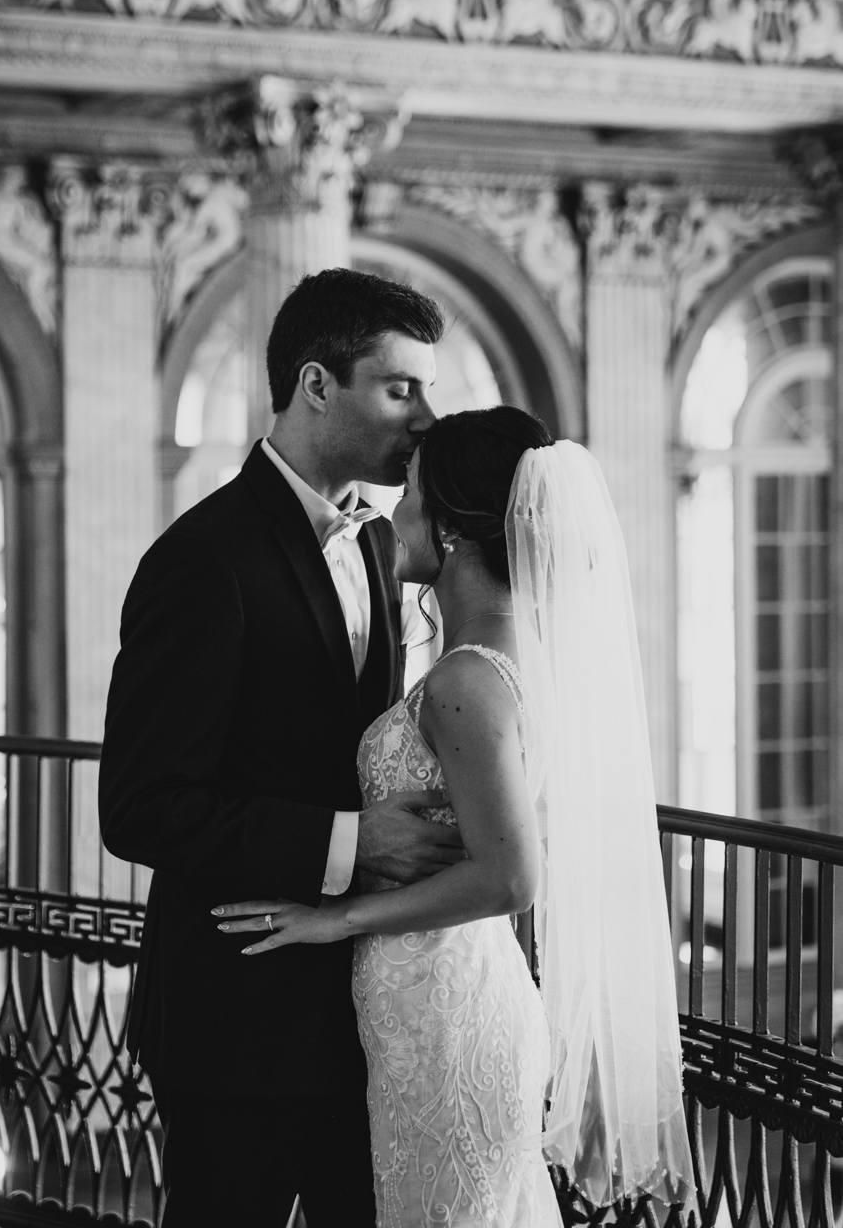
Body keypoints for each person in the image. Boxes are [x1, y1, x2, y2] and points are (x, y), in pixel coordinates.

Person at [218, 406, 694, 1226]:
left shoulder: (465, 682)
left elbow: (509, 876)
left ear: (451, 531)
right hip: (435, 996)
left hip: (442, 1013)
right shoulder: (506, 659)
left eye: (408, 494)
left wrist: (337, 919)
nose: (391, 510)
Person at [98, 268, 463, 1227]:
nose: (426, 417)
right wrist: (350, 844)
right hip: (238, 1023)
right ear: (314, 385)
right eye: (400, 388)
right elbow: (140, 806)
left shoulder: (387, 548)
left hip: (369, 1015)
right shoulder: (200, 560)